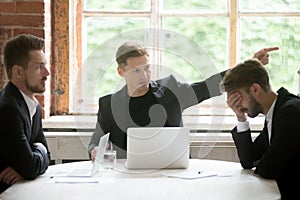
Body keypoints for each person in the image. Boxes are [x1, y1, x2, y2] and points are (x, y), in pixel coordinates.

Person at [88, 41, 278, 160]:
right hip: (125, 181)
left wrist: (250, 66)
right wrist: (95, 150)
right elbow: (95, 142)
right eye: (136, 70)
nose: (144, 75)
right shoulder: (108, 105)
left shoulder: (171, 91)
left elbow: (207, 87)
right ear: (121, 72)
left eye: (147, 68)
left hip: (173, 176)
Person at [221, 58, 300, 199]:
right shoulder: (274, 114)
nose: (238, 105)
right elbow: (248, 160)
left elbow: (269, 168)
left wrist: (264, 162)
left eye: (239, 99)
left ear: (255, 89)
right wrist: (241, 117)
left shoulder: (290, 112)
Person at [0, 34, 50, 194]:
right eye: (39, 67)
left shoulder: (34, 105)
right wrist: (30, 165)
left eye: (45, 66)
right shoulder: (8, 109)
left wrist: (32, 162)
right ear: (18, 72)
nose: (47, 73)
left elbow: (46, 153)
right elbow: (30, 167)